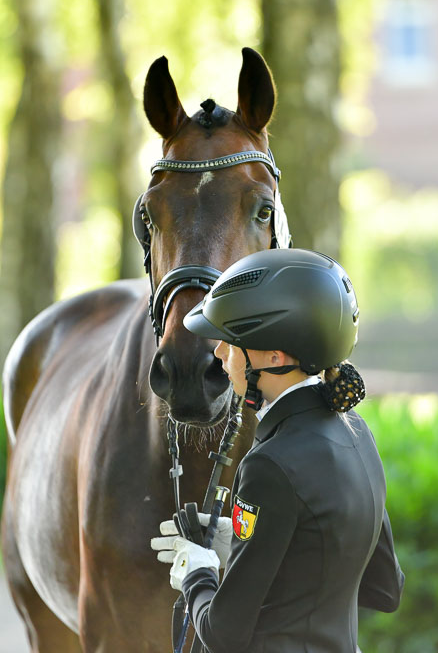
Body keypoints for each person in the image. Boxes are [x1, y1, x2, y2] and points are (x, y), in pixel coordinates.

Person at [151, 248, 404, 653]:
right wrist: (244, 541)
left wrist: (197, 571)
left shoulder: (269, 464)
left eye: (231, 343)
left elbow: (222, 633)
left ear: (274, 357)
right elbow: (383, 587)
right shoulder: (358, 433)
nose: (218, 354)